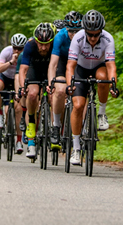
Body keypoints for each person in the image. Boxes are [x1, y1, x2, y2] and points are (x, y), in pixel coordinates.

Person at [66, 9, 118, 166]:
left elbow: (111, 66)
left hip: (98, 67)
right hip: (80, 69)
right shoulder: (78, 38)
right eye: (90, 34)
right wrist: (69, 85)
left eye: (96, 34)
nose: (93, 38)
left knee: (103, 78)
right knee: (78, 105)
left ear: (101, 31)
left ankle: (101, 113)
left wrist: (113, 85)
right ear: (85, 31)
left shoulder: (108, 39)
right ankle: (76, 148)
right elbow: (70, 66)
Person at [16, 22, 55, 159]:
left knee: (53, 96)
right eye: (40, 44)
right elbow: (23, 70)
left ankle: (54, 128)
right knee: (32, 94)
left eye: (47, 44)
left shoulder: (55, 45)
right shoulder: (30, 45)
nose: (43, 48)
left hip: (50, 70)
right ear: (36, 41)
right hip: (34, 70)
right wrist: (23, 87)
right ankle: (31, 133)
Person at [47, 10, 82, 145]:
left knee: (82, 92)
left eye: (77, 31)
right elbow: (53, 64)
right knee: (60, 90)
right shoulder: (60, 37)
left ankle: (82, 127)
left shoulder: (86, 36)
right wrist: (51, 83)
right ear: (66, 28)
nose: (74, 34)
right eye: (71, 31)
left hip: (78, 62)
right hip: (63, 61)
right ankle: (56, 126)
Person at [0, 33, 27, 154]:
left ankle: (19, 141)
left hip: (18, 79)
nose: (17, 51)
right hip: (5, 77)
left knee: (17, 110)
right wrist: (11, 62)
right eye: (15, 48)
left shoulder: (27, 53)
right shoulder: (6, 51)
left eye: (20, 48)